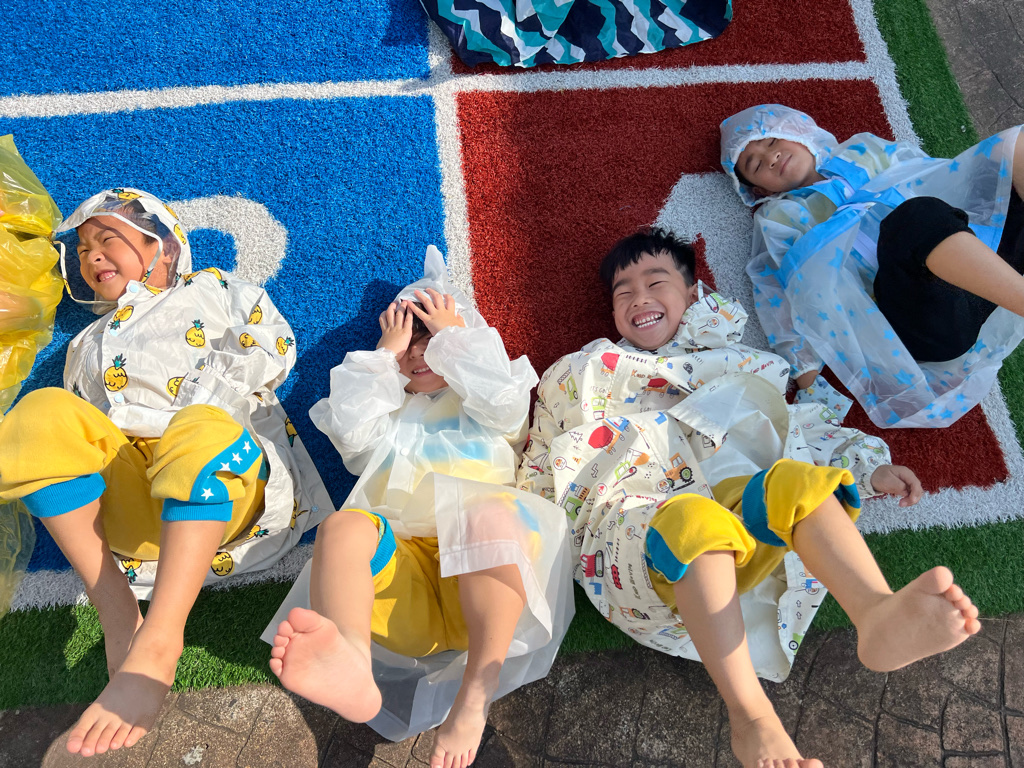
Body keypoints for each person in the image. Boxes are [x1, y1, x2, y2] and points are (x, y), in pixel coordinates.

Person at [516, 228, 980, 768]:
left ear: (694, 294)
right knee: (693, 519)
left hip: (747, 525)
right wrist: (524, 547)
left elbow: (799, 427)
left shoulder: (739, 361)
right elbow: (539, 459)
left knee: (795, 480)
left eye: (656, 282)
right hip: (638, 541)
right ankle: (753, 719)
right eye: (624, 292)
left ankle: (876, 612)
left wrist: (870, 467)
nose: (639, 297)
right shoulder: (581, 372)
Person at [0, 188, 330, 757]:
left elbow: (274, 347)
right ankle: (117, 611)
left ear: (166, 247)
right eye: (83, 249)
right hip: (137, 515)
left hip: (224, 485)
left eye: (108, 240)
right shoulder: (87, 343)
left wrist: (187, 410)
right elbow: (81, 441)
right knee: (39, 413)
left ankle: (161, 637)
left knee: (199, 426)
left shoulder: (216, 290)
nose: (92, 256)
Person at [265, 247, 573, 768]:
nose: (420, 351)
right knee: (342, 527)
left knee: (487, 512)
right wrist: (384, 355)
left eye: (432, 337)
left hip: (490, 591)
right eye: (409, 342)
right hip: (403, 598)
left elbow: (501, 394)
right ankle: (352, 659)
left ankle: (474, 696)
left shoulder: (491, 411)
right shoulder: (388, 419)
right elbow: (351, 428)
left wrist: (454, 338)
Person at [720, 104, 1024, 428]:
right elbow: (779, 297)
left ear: (799, 132)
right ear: (760, 190)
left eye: (772, 141)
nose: (771, 157)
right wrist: (807, 379)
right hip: (929, 318)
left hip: (986, 256)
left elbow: (939, 177)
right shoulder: (779, 219)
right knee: (913, 219)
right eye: (756, 165)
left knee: (1013, 144)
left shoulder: (863, 151)